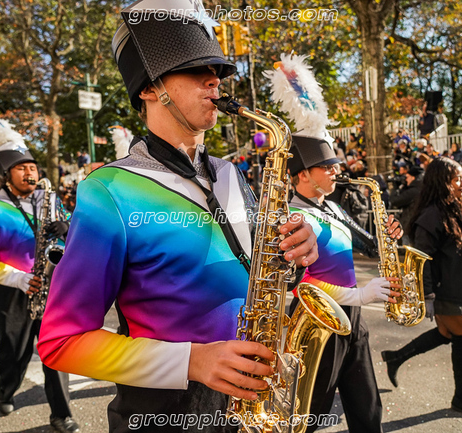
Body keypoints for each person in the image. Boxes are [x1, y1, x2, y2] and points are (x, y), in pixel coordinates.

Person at [37, 4, 318, 432]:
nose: (215, 80)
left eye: (217, 71)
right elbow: (61, 341)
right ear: (150, 89)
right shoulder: (109, 189)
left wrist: (295, 254)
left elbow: (262, 275)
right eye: (195, 70)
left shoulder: (231, 174)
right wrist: (192, 361)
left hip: (249, 401)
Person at [0, 112, 77, 432]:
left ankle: (62, 414)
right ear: (6, 174)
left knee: (55, 349)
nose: (30, 173)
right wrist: (18, 277)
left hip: (50, 286)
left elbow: (74, 237)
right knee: (13, 353)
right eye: (21, 168)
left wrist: (68, 227)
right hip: (10, 291)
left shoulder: (50, 200)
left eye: (32, 168)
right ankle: (5, 386)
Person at [287, 133, 402, 433]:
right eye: (327, 167)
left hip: (352, 316)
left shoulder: (334, 208)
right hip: (318, 321)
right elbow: (300, 284)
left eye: (335, 165)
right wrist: (360, 295)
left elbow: (370, 246)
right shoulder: (292, 216)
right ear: (303, 174)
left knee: (367, 406)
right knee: (308, 413)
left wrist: (390, 234)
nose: (336, 171)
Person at [381, 157, 462, 420]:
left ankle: (396, 357)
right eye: (456, 179)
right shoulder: (431, 215)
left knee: (446, 332)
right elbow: (422, 260)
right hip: (445, 290)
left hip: (456, 284)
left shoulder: (451, 208)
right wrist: (428, 296)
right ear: (441, 182)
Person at [389, 165, 424, 245]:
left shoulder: (414, 191)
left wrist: (395, 187)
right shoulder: (420, 189)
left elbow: (395, 201)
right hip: (413, 227)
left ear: (413, 177)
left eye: (407, 177)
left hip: (410, 227)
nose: (406, 179)